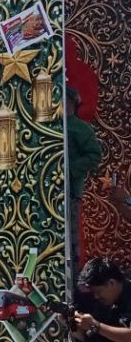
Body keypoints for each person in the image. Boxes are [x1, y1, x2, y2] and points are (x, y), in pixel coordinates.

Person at [66, 87, 102, 264]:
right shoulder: (50, 125)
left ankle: (73, 272)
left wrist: (70, 170)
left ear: (71, 102)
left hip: (71, 190)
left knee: (71, 236)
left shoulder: (80, 128)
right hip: (48, 189)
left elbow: (94, 154)